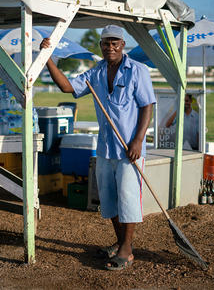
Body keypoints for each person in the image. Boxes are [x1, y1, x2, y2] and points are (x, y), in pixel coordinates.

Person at [41, 25, 156, 271]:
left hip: (129, 150)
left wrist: (137, 141)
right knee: (110, 200)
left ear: (123, 44)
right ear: (101, 46)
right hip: (105, 148)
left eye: (115, 42)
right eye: (105, 43)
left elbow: (147, 106)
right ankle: (119, 241)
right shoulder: (96, 73)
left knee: (128, 199)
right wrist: (48, 60)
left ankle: (127, 249)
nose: (110, 47)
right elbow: (67, 87)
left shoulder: (138, 71)